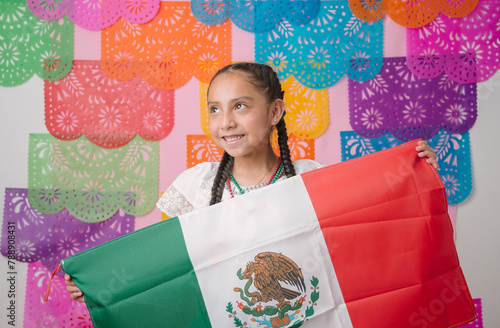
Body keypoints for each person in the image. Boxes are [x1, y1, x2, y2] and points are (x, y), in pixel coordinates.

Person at [65, 62, 439, 302]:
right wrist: (102, 286)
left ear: (274, 111)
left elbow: (368, 238)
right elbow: (161, 265)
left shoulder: (313, 178)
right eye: (214, 109)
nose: (225, 122)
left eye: (240, 106)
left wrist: (416, 176)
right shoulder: (195, 187)